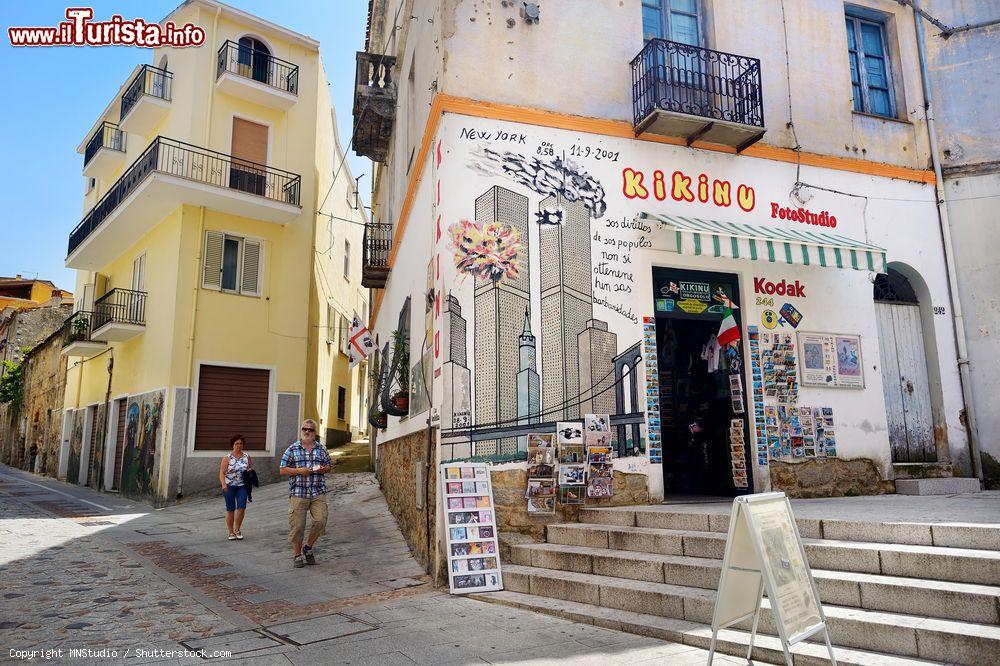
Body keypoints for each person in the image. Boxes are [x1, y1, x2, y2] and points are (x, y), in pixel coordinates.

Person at [279, 419, 332, 568]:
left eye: (310, 429)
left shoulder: (321, 449)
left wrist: (323, 469)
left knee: (321, 521)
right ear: (301, 431)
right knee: (297, 526)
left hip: (317, 491)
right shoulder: (292, 449)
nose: (307, 431)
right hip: (298, 492)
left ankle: (308, 547)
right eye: (304, 429)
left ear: (315, 433)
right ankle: (297, 555)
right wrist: (299, 471)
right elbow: (282, 469)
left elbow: (329, 466)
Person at [219, 434, 252, 541]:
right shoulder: (227, 458)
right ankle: (230, 532)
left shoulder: (246, 456)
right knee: (230, 509)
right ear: (232, 445)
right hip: (229, 486)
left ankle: (237, 529)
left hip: (242, 486)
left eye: (241, 443)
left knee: (242, 508)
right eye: (236, 443)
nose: (239, 445)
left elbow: (250, 469)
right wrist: (224, 485)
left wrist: (250, 473)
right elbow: (222, 473)